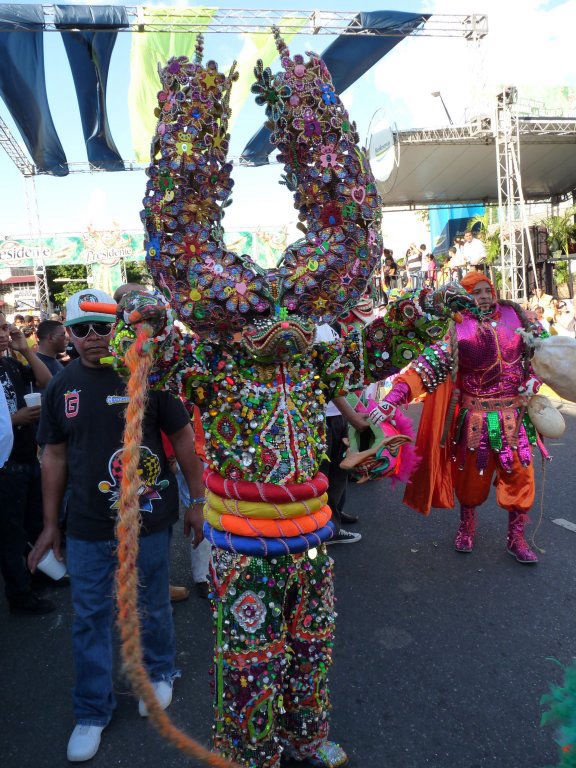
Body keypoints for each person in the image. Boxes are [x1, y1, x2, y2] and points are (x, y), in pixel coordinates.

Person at [102, 37, 473, 768]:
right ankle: (253, 751)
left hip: (311, 535)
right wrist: (135, 315)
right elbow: (136, 354)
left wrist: (434, 306)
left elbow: (374, 350)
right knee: (248, 659)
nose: (272, 314)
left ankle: (304, 737)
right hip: (243, 543)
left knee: (314, 642)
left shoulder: (313, 356)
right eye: (255, 308)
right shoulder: (214, 358)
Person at [28, 289, 206, 763]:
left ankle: (159, 673)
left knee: (151, 600)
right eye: (81, 328)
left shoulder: (149, 375)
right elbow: (54, 456)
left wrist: (198, 500)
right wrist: (50, 526)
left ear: (118, 328)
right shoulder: (60, 388)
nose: (92, 337)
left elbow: (183, 436)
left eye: (101, 326)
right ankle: (92, 710)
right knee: (89, 615)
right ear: (68, 333)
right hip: (87, 525)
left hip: (149, 519)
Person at [373, 271, 548, 565]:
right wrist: (392, 399)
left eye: (486, 289)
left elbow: (544, 354)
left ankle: (516, 538)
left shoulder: (518, 316)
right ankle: (467, 526)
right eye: (476, 291)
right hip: (475, 421)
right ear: (466, 296)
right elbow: (425, 368)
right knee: (470, 483)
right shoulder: (457, 329)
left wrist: (534, 379)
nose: (483, 295)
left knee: (521, 478)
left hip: (515, 419)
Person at [0, 312, 54, 614]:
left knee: (34, 524)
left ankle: (40, 575)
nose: (3, 333)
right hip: (4, 465)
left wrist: (25, 350)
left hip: (27, 456)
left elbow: (46, 381)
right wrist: (13, 419)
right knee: (10, 534)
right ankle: (19, 596)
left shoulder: (9, 363)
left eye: (4, 327)